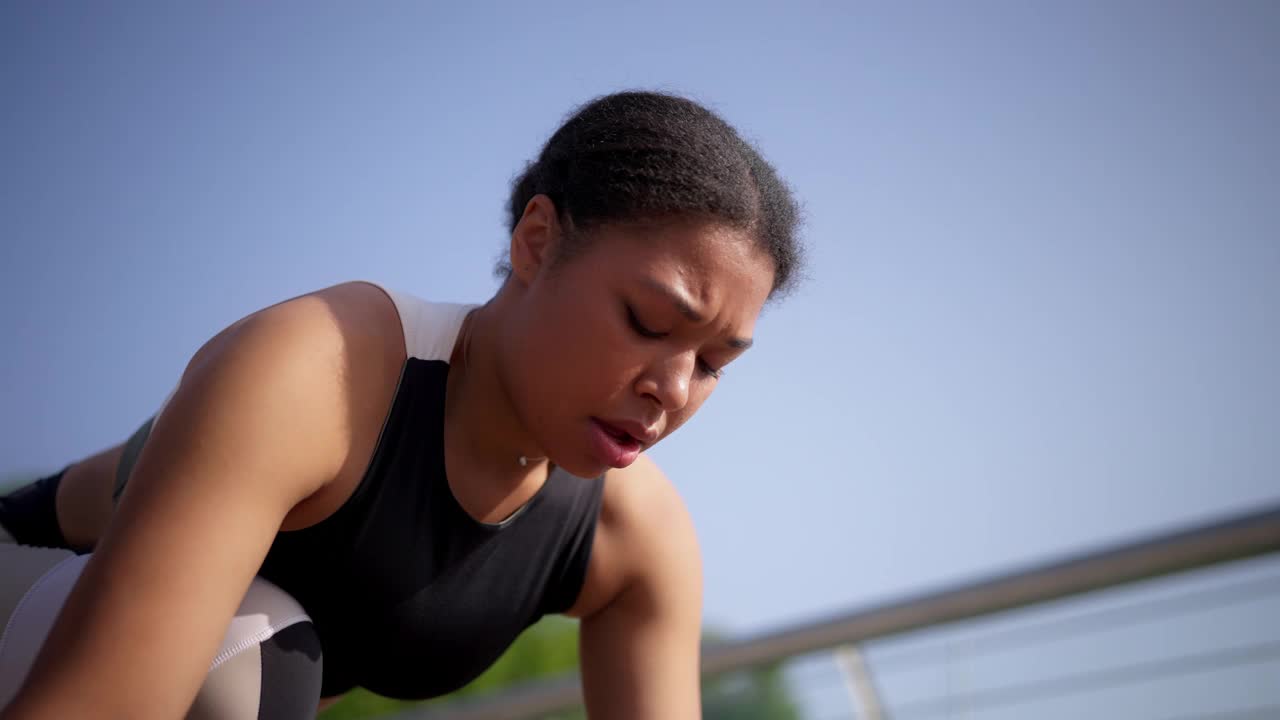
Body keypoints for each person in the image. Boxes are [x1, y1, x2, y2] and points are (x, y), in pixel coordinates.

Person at [0, 89, 803, 719]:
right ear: (537, 240)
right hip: (36, 588)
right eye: (649, 322)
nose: (672, 388)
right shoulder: (322, 368)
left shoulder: (635, 539)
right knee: (250, 669)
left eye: (712, 363)